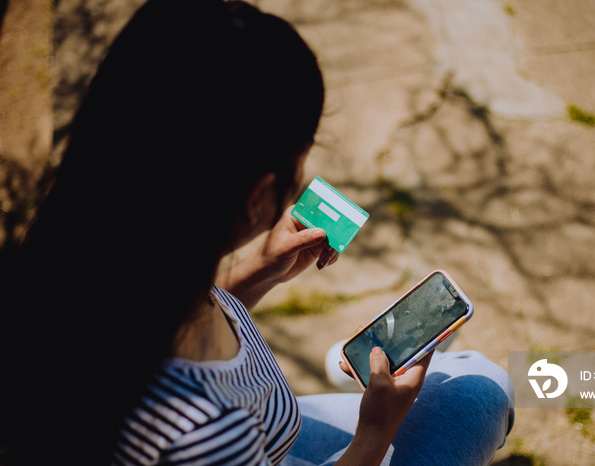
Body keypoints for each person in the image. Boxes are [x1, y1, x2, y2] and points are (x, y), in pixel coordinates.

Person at [0, 0, 513, 464]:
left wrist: (257, 274)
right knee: (481, 385)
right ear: (256, 199)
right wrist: (376, 432)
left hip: (263, 440)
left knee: (459, 377)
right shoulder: (201, 431)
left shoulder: (81, 268)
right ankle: (360, 363)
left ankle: (359, 363)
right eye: (302, 152)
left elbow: (166, 333)